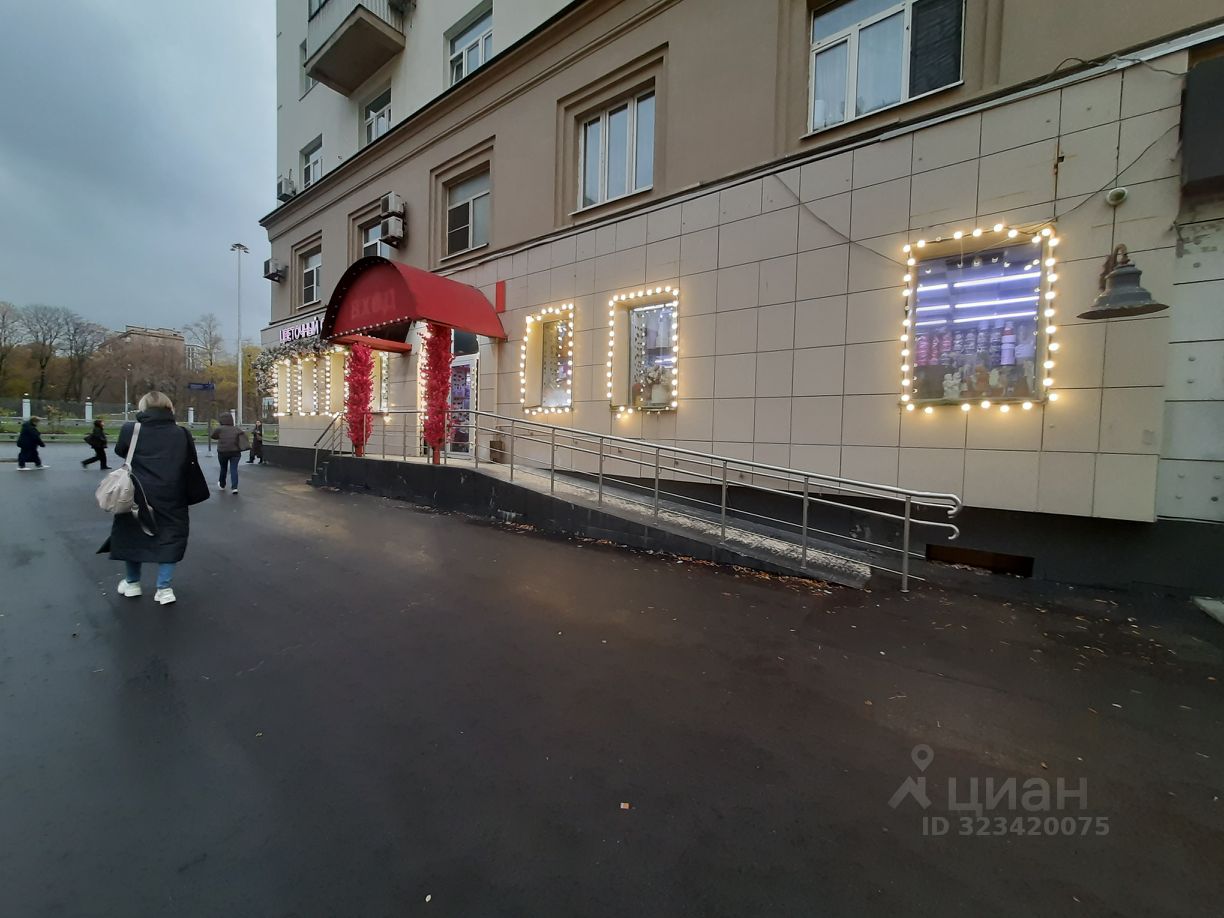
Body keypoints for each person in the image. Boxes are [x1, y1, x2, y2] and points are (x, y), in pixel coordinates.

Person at [107, 392, 199, 605]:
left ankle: (132, 583)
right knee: (171, 537)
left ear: (143, 407)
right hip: (172, 494)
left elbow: (121, 451)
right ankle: (164, 589)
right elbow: (189, 461)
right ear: (169, 408)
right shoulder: (181, 433)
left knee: (132, 536)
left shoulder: (131, 429)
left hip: (136, 493)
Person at [210, 413, 244, 494]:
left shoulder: (219, 429)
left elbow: (213, 436)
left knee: (223, 468)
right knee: (234, 469)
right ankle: (234, 488)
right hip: (235, 452)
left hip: (223, 452)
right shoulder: (237, 429)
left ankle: (222, 485)